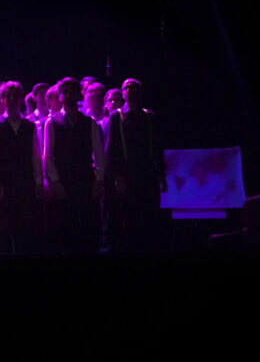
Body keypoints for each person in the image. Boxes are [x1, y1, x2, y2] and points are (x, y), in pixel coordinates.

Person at [43, 77, 106, 255]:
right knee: (65, 234)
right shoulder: (52, 122)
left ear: (79, 94)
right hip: (63, 183)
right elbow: (48, 157)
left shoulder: (90, 123)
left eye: (72, 91)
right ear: (60, 96)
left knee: (88, 233)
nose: (68, 95)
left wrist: (99, 181)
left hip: (85, 182)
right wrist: (55, 183)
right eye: (64, 92)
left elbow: (99, 155)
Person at [104, 78, 168, 253]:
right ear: (122, 93)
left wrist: (161, 173)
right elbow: (110, 149)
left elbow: (157, 146)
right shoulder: (116, 117)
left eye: (133, 88)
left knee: (149, 219)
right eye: (125, 88)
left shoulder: (149, 116)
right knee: (128, 220)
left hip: (147, 175)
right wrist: (117, 176)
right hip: (127, 175)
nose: (129, 90)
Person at [0, 81, 46, 253]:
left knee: (26, 230)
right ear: (3, 99)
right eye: (8, 96)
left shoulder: (30, 126)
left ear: (20, 99)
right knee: (5, 229)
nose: (12, 100)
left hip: (26, 182)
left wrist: (38, 182)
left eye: (15, 96)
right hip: (6, 183)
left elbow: (36, 156)